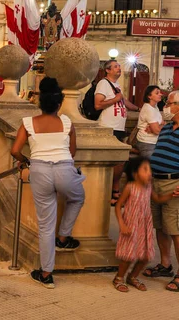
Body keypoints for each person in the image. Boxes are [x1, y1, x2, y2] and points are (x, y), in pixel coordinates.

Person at [11, 77, 85, 289]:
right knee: (78, 198)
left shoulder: (27, 123)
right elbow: (72, 151)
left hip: (39, 169)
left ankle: (46, 274)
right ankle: (63, 236)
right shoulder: (67, 123)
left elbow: (15, 150)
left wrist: (25, 162)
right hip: (63, 167)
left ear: (39, 102)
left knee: (45, 225)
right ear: (59, 103)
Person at [112, 157, 179, 292]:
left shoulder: (149, 187)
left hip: (144, 225)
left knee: (145, 256)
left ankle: (133, 277)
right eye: (145, 170)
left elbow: (158, 199)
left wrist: (172, 195)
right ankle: (119, 278)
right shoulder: (129, 187)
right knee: (128, 255)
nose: (149, 173)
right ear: (135, 173)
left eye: (149, 170)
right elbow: (118, 206)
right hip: (130, 225)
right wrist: (122, 224)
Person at [143, 90, 179, 291]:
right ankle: (165, 264)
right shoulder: (166, 128)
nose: (165, 106)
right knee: (161, 227)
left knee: (176, 230)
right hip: (156, 183)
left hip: (174, 185)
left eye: (170, 103)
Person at [94, 59, 139, 206]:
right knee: (113, 160)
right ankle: (108, 191)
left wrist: (138, 108)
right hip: (108, 127)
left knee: (119, 161)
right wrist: (116, 99)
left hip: (118, 127)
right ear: (107, 70)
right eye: (115, 67)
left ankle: (114, 191)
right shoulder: (103, 84)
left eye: (119, 66)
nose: (119, 68)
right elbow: (98, 104)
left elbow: (123, 102)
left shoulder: (116, 85)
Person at [135, 85, 164, 158]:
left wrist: (155, 127)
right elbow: (157, 131)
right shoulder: (148, 109)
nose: (160, 94)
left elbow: (163, 123)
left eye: (160, 92)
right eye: (157, 93)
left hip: (155, 142)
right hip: (147, 143)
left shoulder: (155, 107)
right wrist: (156, 128)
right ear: (149, 96)